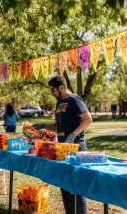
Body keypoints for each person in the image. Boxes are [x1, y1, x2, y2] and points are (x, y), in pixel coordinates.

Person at [33, 76, 92, 214]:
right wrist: (42, 126)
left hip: (76, 148)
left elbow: (88, 119)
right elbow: (57, 126)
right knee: (64, 184)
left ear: (61, 87)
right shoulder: (59, 103)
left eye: (53, 89)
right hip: (61, 149)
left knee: (77, 187)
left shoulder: (74, 100)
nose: (51, 93)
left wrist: (73, 135)